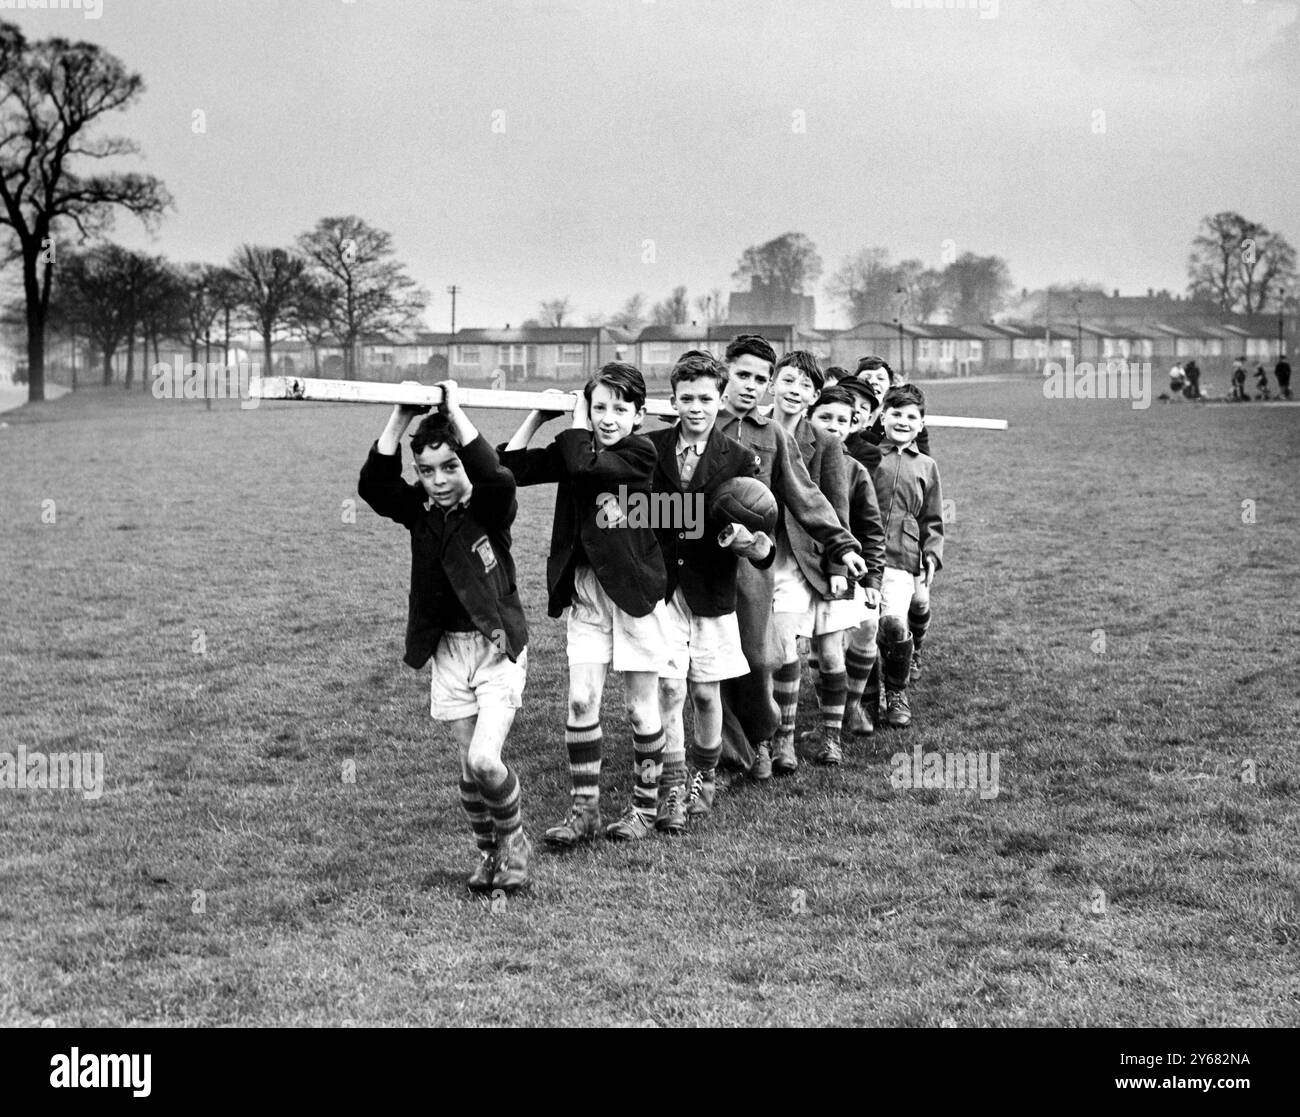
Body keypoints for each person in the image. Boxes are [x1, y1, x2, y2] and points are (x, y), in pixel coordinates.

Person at [358, 381, 531, 893]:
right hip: (448, 654)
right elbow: (375, 488)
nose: (437, 481)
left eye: (449, 467)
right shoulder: (419, 514)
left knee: (484, 759)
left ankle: (516, 843)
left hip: (496, 649)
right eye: (426, 471)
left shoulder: (489, 508)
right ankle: (488, 853)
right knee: (467, 767)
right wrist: (400, 415)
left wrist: (456, 412)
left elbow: (497, 478)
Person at [499, 362, 669, 845]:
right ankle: (585, 812)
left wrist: (575, 421)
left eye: (620, 409)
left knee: (639, 710)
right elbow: (508, 469)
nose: (608, 417)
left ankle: (644, 807)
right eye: (599, 407)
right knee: (579, 700)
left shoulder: (640, 452)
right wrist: (537, 417)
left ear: (639, 416)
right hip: (585, 591)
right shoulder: (576, 444)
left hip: (634, 592)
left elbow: (585, 468)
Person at [712, 335, 867, 782]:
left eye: (760, 378)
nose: (751, 385)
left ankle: (763, 736)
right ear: (726, 374)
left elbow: (809, 497)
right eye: (743, 375)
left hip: (759, 563)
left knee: (761, 660)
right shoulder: (702, 424)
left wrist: (842, 546)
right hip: (702, 564)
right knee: (711, 663)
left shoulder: (774, 434)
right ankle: (725, 756)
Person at [645, 350, 776, 829]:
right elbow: (628, 513)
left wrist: (749, 542)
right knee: (669, 688)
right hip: (662, 589)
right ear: (673, 399)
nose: (696, 407)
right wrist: (702, 519)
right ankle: (673, 789)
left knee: (705, 693)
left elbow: (764, 541)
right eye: (686, 398)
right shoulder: (651, 447)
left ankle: (705, 777)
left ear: (720, 399)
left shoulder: (742, 459)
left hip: (713, 591)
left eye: (705, 398)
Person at [765, 350, 862, 768]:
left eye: (806, 385)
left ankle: (783, 739)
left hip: (797, 559)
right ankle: (754, 740)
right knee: (755, 653)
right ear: (773, 383)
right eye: (789, 380)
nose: (795, 391)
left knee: (787, 647)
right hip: (746, 557)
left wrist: (839, 565)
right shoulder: (746, 429)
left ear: (813, 396)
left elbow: (835, 507)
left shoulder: (822, 441)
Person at [806, 385, 886, 746]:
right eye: (825, 418)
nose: (833, 426)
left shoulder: (855, 471)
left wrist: (872, 576)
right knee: (805, 650)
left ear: (854, 425)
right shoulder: (796, 463)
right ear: (809, 419)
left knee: (832, 647)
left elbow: (871, 529)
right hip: (802, 565)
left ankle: (845, 713)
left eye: (842, 420)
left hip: (842, 571)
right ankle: (815, 719)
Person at [872, 384, 944, 729]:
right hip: (864, 553)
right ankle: (865, 697)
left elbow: (933, 518)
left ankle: (896, 692)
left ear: (921, 423)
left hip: (903, 556)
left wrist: (931, 554)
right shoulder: (867, 455)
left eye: (911, 416)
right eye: (896, 414)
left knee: (895, 623)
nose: (903, 421)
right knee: (864, 628)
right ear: (882, 416)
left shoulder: (927, 466)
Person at [858, 355, 932, 456]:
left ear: (890, 386)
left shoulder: (908, 422)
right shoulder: (847, 416)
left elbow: (920, 463)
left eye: (880, 378)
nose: (874, 382)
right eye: (866, 378)